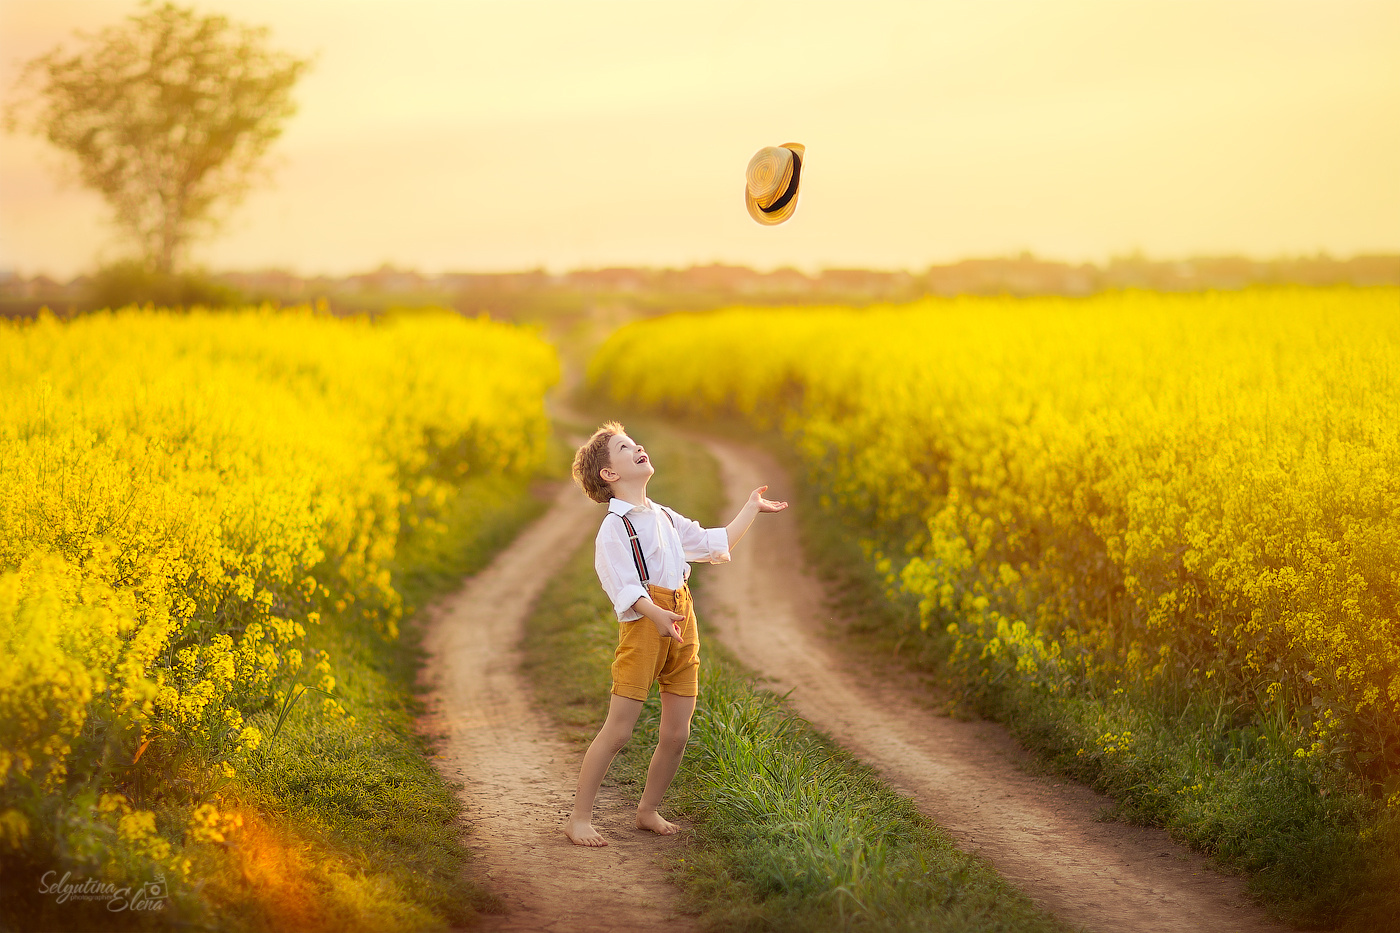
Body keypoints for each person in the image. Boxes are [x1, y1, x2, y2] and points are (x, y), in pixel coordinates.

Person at [561, 422, 787, 847]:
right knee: (619, 731)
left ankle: (647, 810)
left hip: (683, 621)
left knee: (677, 734)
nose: (638, 447)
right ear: (609, 474)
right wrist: (656, 614)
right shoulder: (615, 528)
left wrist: (751, 509)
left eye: (636, 443)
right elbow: (623, 585)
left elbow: (711, 543)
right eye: (625, 447)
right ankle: (579, 819)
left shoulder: (664, 515)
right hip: (645, 627)